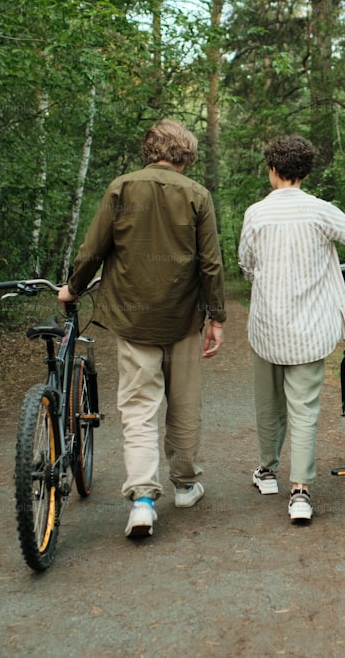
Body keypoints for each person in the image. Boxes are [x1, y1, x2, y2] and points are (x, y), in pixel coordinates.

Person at [58, 119, 226, 538]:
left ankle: (144, 500)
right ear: (186, 154)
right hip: (183, 319)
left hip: (133, 321)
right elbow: (211, 264)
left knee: (138, 407)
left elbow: (94, 248)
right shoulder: (197, 195)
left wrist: (73, 288)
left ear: (150, 150)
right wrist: (217, 316)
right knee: (184, 403)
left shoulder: (121, 188)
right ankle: (185, 486)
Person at [238, 134, 345, 523]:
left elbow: (246, 265)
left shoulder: (256, 214)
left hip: (267, 329)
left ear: (272, 169)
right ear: (304, 171)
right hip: (308, 332)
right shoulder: (322, 211)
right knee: (304, 410)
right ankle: (300, 493)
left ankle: (267, 472)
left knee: (269, 405)